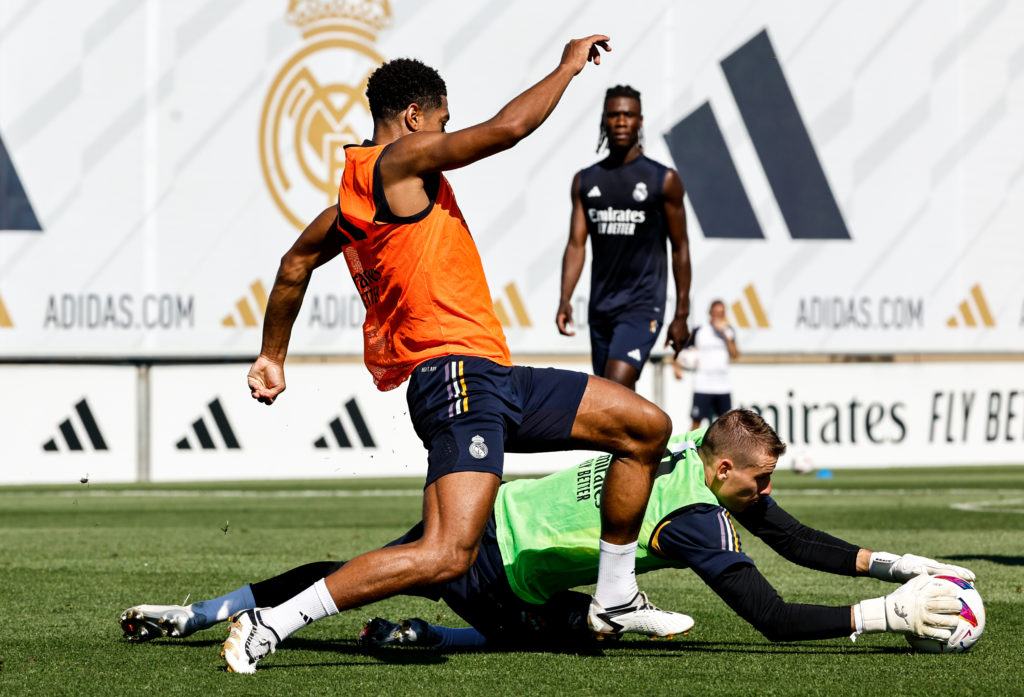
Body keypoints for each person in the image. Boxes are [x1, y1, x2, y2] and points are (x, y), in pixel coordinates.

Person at [232, 36, 692, 674]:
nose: (443, 136)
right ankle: (270, 623)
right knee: (447, 553)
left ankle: (615, 596)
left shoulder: (355, 201)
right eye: (442, 122)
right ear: (415, 119)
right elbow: (508, 129)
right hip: (455, 376)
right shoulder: (400, 160)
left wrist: (272, 356)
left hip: (489, 374)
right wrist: (566, 67)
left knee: (645, 427)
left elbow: (294, 264)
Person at [120, 410, 971, 653]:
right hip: (497, 566)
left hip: (483, 514)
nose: (769, 490)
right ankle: (426, 635)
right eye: (760, 478)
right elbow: (775, 617)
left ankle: (200, 610)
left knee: (354, 569)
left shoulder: (673, 452)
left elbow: (792, 537)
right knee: (580, 633)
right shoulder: (693, 522)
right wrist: (886, 614)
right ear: (723, 474)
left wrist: (895, 561)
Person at [556, 85, 691, 390]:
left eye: (628, 115)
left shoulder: (663, 180)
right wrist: (565, 298)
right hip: (601, 308)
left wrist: (681, 314)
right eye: (613, 115)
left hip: (642, 306)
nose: (620, 121)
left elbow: (681, 248)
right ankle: (649, 439)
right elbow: (576, 245)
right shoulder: (586, 181)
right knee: (611, 402)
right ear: (604, 120)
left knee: (614, 389)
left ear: (640, 121)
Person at [675, 299, 739, 430]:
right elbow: (681, 349)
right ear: (710, 313)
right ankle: (689, 448)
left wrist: (724, 334)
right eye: (715, 312)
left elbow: (735, 354)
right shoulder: (699, 330)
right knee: (696, 423)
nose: (718, 316)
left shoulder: (729, 331)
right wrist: (677, 367)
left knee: (727, 425)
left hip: (722, 385)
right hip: (703, 384)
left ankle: (723, 450)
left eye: (721, 313)